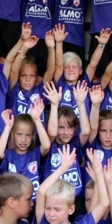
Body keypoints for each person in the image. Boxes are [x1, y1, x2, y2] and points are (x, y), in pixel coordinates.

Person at [44, 80, 91, 216]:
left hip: (76, 199)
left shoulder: (75, 143)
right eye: (61, 127)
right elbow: (52, 133)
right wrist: (54, 105)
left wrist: (81, 103)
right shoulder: (49, 146)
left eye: (70, 127)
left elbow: (86, 132)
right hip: (54, 200)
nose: (66, 132)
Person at [0, 103, 51, 201]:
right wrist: (8, 127)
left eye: (28, 135)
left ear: (33, 136)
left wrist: (37, 121)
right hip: (13, 204)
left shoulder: (35, 154)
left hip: (34, 203)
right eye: (19, 134)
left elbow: (46, 146)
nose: (23, 139)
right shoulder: (8, 155)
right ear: (13, 134)